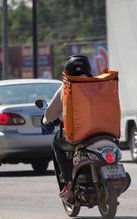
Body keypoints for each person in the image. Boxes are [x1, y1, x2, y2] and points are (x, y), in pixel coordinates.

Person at [41, 55, 93, 200]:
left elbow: (50, 114)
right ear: (88, 69)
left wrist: (46, 120)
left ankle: (69, 184)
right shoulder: (99, 84)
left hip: (78, 135)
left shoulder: (65, 88)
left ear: (67, 71)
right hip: (103, 132)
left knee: (56, 143)